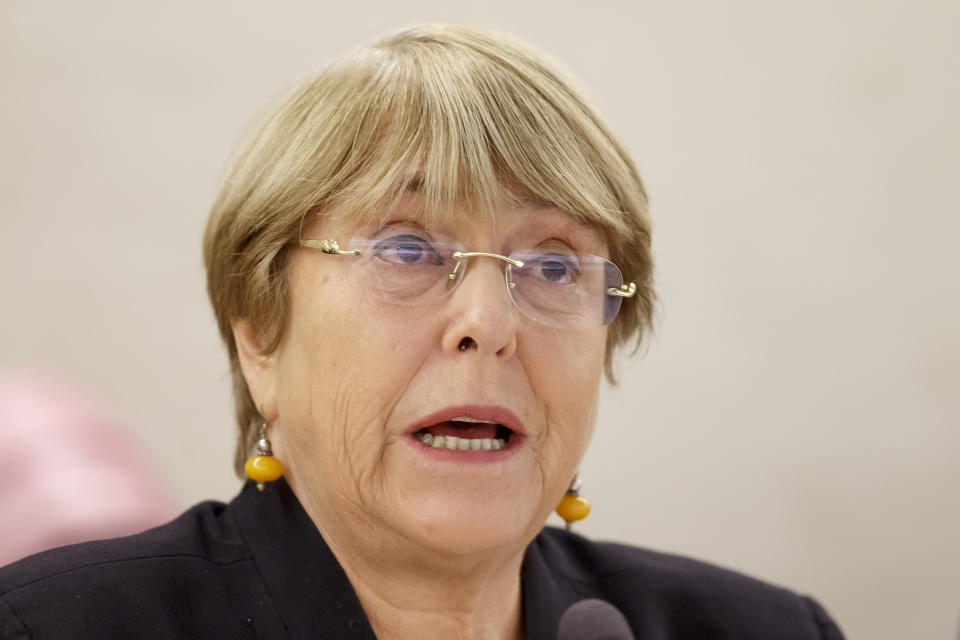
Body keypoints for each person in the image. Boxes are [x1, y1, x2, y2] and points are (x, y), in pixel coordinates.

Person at [0, 24, 844, 639]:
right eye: (407, 248)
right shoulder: (54, 626)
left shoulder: (760, 630)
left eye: (553, 266)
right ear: (259, 332)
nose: (488, 323)